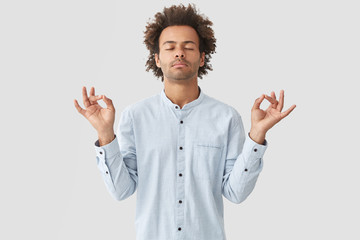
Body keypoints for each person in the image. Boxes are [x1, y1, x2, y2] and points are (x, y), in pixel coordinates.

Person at [74, 3, 296, 240]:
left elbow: (235, 193)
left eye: (188, 47)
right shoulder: (135, 116)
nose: (179, 53)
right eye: (170, 47)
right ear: (157, 59)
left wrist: (257, 134)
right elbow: (122, 191)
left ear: (202, 58)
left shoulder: (226, 118)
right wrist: (105, 133)